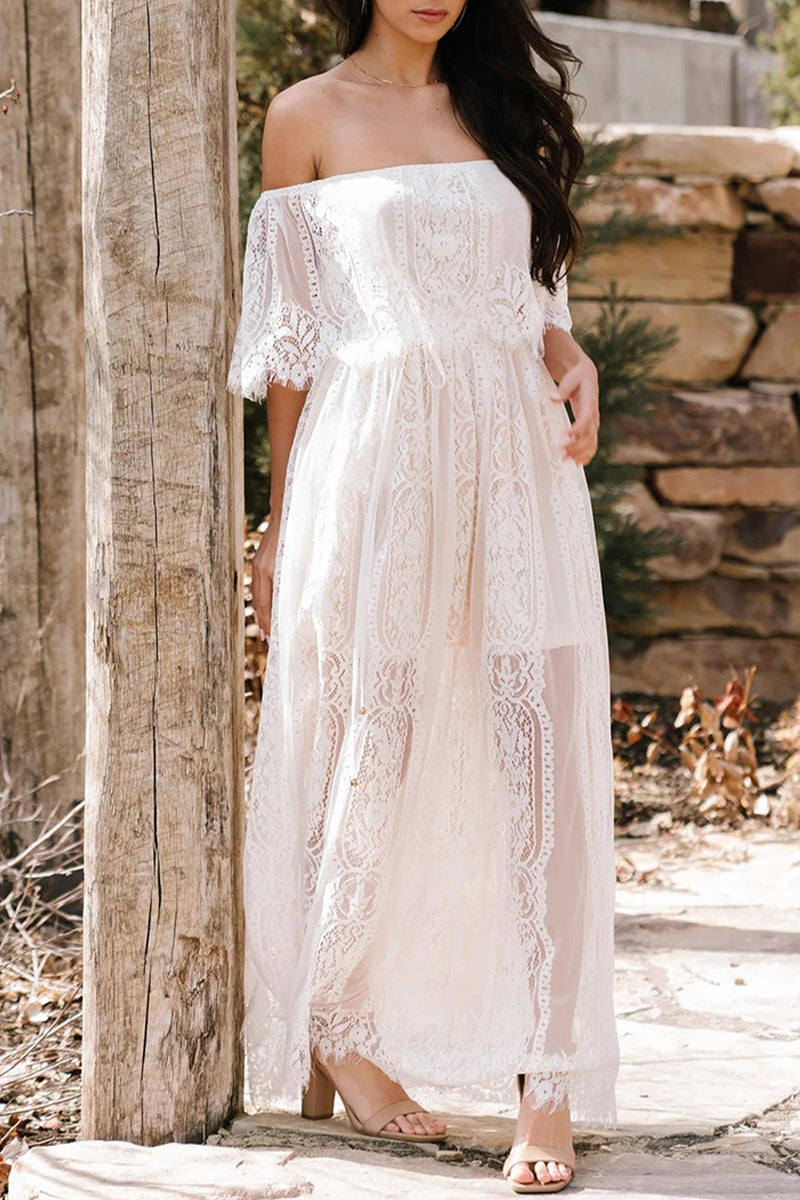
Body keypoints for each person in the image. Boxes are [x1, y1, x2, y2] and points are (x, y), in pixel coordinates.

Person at [226, 0, 620, 1192]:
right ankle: (337, 1028)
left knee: (539, 757)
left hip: (513, 463)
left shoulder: (497, 107)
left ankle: (546, 1082)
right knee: (370, 744)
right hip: (376, 462)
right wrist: (281, 519)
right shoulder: (304, 117)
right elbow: (292, 342)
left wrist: (567, 355)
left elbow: (529, 302)